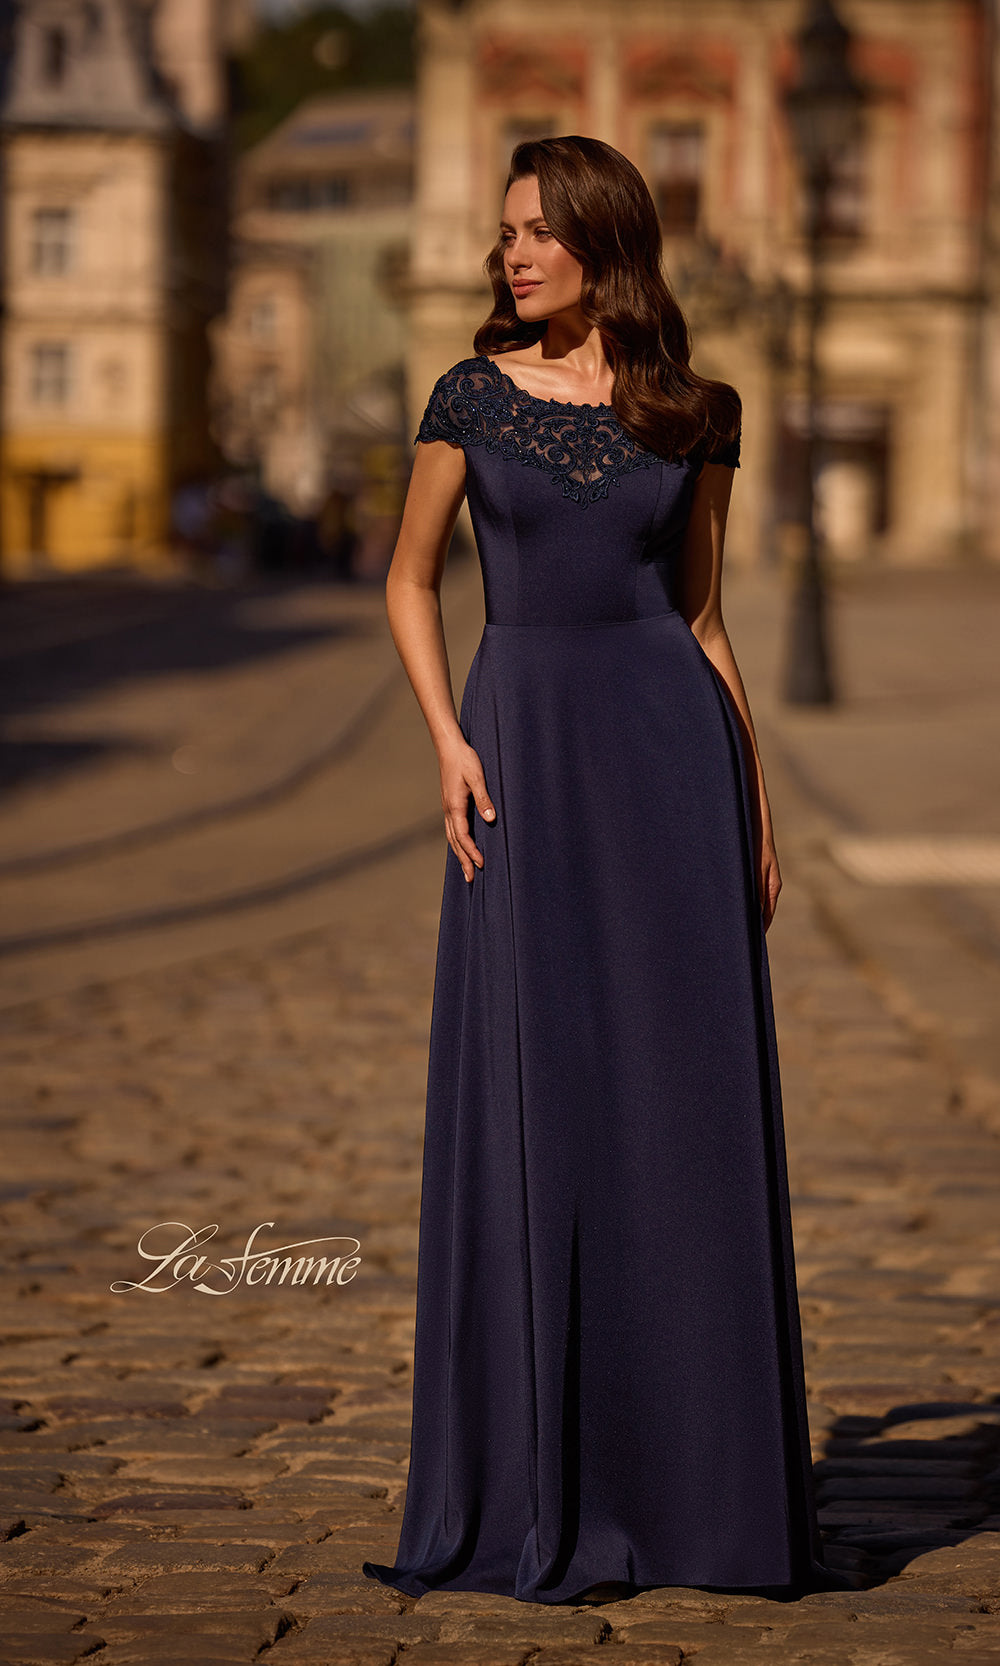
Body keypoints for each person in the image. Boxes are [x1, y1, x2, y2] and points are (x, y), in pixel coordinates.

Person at [362, 135, 851, 1607]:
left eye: (536, 231)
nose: (510, 253)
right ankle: (534, 1477)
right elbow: (408, 576)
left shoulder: (695, 411)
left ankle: (699, 1492)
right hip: (522, 755)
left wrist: (752, 804)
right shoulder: (466, 396)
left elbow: (703, 624)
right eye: (503, 232)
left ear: (601, 242)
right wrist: (447, 739)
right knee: (544, 1097)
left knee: (682, 1111)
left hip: (667, 762)